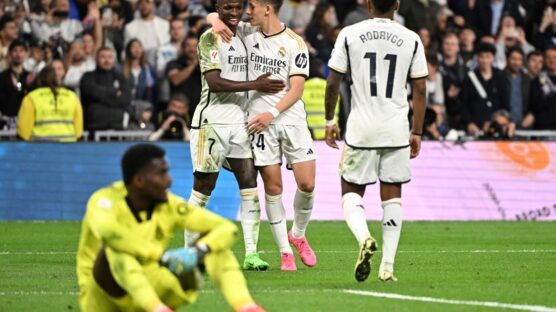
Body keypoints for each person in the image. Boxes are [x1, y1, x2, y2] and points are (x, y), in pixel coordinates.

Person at [76, 143, 264, 312]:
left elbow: (225, 228)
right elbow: (109, 232)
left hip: (154, 284)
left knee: (215, 246)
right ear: (139, 180)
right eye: (161, 174)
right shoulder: (104, 201)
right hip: (105, 299)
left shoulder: (169, 205)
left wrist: (199, 251)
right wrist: (160, 256)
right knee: (115, 250)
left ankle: (246, 307)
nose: (169, 180)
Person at [209, 0, 318, 272]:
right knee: (273, 188)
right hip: (259, 124)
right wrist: (215, 21)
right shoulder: (246, 32)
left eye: (253, 6)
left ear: (267, 8)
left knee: (307, 184)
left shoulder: (295, 42)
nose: (247, 11)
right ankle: (285, 253)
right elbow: (213, 14)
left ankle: (298, 235)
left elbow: (296, 89)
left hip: (290, 120)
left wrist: (272, 112)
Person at [324, 0, 427, 282]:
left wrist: (329, 120)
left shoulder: (349, 33)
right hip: (396, 128)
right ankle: (388, 268)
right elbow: (420, 88)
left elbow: (333, 82)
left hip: (361, 128)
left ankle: (364, 237)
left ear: (368, 4)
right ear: (397, 4)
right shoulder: (412, 38)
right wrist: (417, 131)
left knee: (351, 191)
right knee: (392, 195)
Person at [188, 0, 285, 272]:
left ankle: (252, 254)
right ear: (219, 6)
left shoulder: (242, 32)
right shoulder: (209, 39)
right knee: (203, 189)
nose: (233, 13)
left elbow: (266, 21)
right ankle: (187, 253)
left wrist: (213, 17)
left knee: (249, 182)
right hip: (211, 124)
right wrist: (258, 85)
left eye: (237, 7)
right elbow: (215, 83)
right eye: (227, 8)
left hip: (241, 125)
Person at [17, 65, 83, 141]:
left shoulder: (31, 98)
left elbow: (23, 132)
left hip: (39, 148)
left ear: (39, 79)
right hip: (68, 148)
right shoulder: (72, 97)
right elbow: (78, 132)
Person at [460, 42, 510, 136]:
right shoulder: (469, 79)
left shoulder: (501, 78)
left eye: (488, 56)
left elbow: (505, 105)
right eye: (481, 56)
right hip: (475, 128)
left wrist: (501, 122)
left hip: (496, 128)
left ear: (493, 58)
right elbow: (464, 105)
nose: (484, 60)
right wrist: (469, 123)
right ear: (477, 58)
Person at [80, 47, 132, 135]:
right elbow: (92, 92)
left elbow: (126, 99)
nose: (107, 60)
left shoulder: (121, 77)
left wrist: (100, 99)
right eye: (103, 57)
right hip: (93, 129)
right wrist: (115, 92)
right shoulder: (88, 77)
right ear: (96, 59)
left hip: (118, 128)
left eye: (110, 57)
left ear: (114, 60)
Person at [0, 40, 34, 130]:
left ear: (26, 54)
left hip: (25, 121)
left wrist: (29, 86)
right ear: (10, 54)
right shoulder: (2, 77)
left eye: (21, 51)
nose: (18, 54)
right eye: (15, 50)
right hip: (5, 122)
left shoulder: (30, 77)